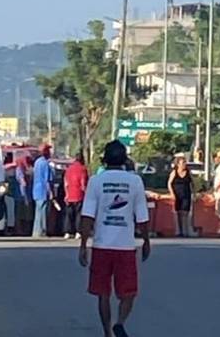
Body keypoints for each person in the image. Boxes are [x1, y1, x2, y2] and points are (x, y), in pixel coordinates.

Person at [79, 140, 150, 337]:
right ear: (125, 160)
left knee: (103, 293)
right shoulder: (135, 182)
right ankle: (120, 322)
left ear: (105, 160)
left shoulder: (96, 181)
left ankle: (107, 332)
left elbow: (87, 216)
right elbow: (142, 217)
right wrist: (146, 242)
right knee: (129, 292)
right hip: (125, 246)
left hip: (102, 245)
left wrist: (83, 245)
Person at [64, 151, 89, 239]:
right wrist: (85, 193)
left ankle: (67, 231)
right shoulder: (83, 169)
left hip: (70, 194)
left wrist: (66, 194)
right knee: (79, 214)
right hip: (79, 195)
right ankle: (78, 232)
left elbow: (66, 182)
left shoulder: (69, 169)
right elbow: (83, 183)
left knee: (69, 214)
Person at [167, 156, 194, 237]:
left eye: (185, 163)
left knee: (185, 212)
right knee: (178, 212)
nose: (184, 165)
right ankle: (179, 231)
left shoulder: (188, 172)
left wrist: (194, 193)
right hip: (177, 194)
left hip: (186, 194)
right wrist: (172, 193)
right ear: (178, 164)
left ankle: (186, 231)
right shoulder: (174, 172)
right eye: (182, 163)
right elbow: (169, 184)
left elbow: (192, 183)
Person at [32, 144, 53, 238]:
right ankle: (42, 231)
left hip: (36, 190)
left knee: (38, 211)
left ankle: (36, 231)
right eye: (48, 150)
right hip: (43, 190)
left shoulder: (37, 162)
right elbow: (47, 180)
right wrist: (51, 192)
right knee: (43, 211)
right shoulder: (45, 163)